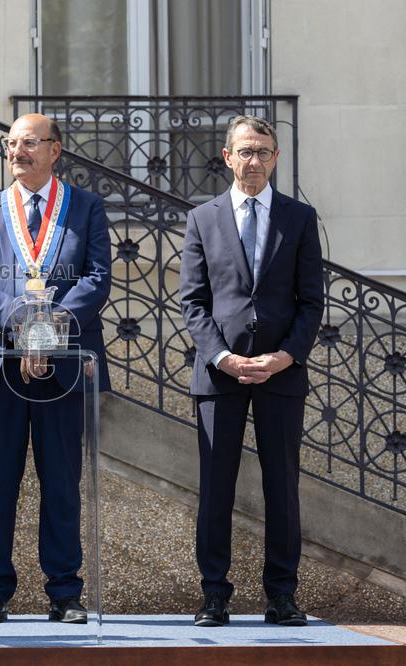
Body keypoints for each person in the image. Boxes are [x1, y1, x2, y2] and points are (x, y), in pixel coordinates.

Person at [0, 113, 111, 623]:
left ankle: (65, 592)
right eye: (11, 143)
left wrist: (49, 331)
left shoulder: (86, 209)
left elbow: (96, 278)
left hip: (65, 366)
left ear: (55, 149)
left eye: (29, 143)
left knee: (63, 483)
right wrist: (26, 325)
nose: (17, 151)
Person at [179, 115, 324, 627]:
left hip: (281, 375)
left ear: (276, 158)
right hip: (219, 376)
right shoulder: (202, 218)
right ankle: (214, 595)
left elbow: (312, 302)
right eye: (245, 151)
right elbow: (193, 302)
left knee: (281, 486)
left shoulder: (300, 219)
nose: (254, 160)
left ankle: (281, 595)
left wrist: (284, 356)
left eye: (263, 151)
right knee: (216, 486)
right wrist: (223, 357)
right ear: (227, 156)